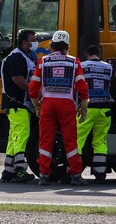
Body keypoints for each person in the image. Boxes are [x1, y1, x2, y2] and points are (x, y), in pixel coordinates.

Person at [29, 30, 89, 186]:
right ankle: (75, 174)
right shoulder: (74, 62)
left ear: (52, 45)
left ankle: (43, 175)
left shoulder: (43, 62)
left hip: (48, 104)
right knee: (70, 140)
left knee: (45, 140)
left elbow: (33, 87)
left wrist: (37, 106)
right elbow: (82, 86)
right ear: (67, 45)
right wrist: (84, 107)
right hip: (66, 105)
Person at [0, 29, 38, 183]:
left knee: (13, 137)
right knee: (21, 135)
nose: (35, 42)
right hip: (16, 103)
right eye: (32, 40)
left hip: (19, 104)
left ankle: (8, 170)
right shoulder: (17, 57)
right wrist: (34, 91)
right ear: (24, 42)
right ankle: (20, 170)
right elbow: (17, 79)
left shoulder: (25, 56)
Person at [77, 45, 114, 184]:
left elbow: (78, 85)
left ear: (87, 55)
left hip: (88, 108)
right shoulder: (108, 67)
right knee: (100, 141)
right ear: (99, 54)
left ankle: (74, 172)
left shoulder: (82, 65)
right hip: (105, 108)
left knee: (78, 139)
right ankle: (100, 174)